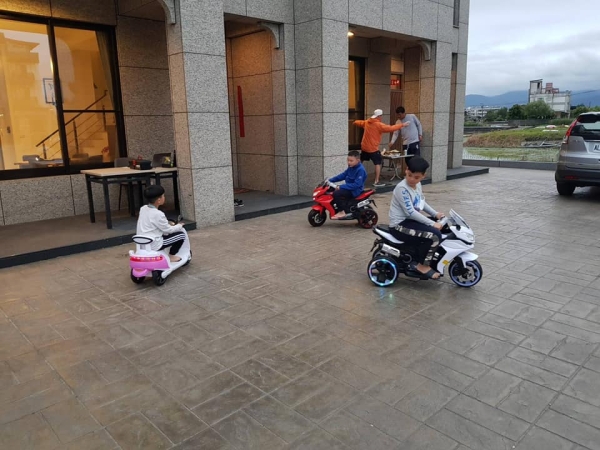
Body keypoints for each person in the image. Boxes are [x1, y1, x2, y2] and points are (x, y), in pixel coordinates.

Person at [388, 156, 445, 279]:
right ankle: (422, 266)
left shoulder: (417, 185)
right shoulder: (402, 188)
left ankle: (422, 256)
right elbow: (410, 212)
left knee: (441, 227)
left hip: (409, 221)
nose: (412, 179)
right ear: (406, 170)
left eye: (416, 177)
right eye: (409, 175)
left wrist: (435, 214)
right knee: (435, 235)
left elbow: (421, 202)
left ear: (423, 176)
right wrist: (432, 223)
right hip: (399, 225)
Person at [353, 108, 410, 187]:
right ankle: (376, 181)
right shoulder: (379, 125)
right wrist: (402, 125)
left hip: (364, 147)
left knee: (361, 161)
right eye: (381, 116)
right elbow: (390, 128)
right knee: (378, 163)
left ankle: (354, 176)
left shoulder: (367, 122)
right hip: (373, 148)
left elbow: (358, 122)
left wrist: (354, 122)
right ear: (379, 116)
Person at [137, 185, 187, 263]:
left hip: (142, 242)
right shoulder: (158, 214)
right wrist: (179, 226)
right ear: (159, 200)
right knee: (181, 235)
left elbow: (152, 223)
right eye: (163, 196)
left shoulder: (143, 208)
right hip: (155, 243)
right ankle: (171, 256)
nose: (164, 197)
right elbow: (168, 230)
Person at [328, 150, 367, 219]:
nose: (349, 162)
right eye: (348, 160)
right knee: (331, 190)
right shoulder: (351, 167)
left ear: (358, 160)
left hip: (355, 191)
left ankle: (341, 212)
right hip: (350, 188)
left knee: (336, 193)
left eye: (351, 161)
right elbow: (343, 175)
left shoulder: (360, 170)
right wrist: (330, 180)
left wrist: (341, 187)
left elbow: (356, 185)